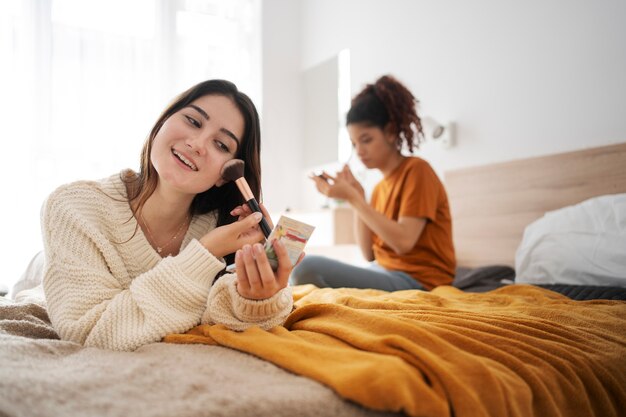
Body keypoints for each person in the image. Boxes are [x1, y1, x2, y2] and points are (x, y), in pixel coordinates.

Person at [41, 79, 299, 351]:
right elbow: (91, 335)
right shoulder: (73, 208)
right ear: (162, 122)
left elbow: (219, 318)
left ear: (227, 175)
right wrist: (204, 253)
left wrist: (257, 299)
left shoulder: (225, 229)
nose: (198, 143)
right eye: (193, 121)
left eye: (221, 145)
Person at [291, 75, 456, 291]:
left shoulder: (417, 171)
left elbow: (404, 242)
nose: (359, 151)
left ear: (390, 132)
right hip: (383, 270)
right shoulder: (379, 188)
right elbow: (368, 254)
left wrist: (353, 198)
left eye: (366, 140)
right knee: (301, 268)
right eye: (354, 143)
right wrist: (357, 196)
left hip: (421, 281)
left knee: (306, 267)